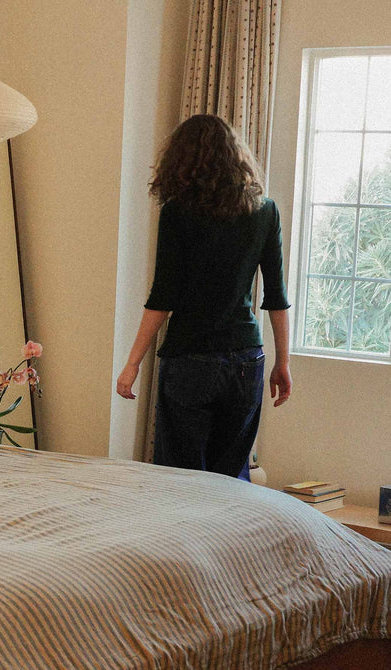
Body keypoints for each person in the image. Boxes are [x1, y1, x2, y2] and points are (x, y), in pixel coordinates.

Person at [116, 114, 292, 481]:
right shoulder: (265, 211)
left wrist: (133, 363)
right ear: (236, 157)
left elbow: (162, 297)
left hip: (191, 359)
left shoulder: (178, 213)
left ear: (181, 160)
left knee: (181, 482)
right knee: (231, 479)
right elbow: (276, 297)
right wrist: (283, 363)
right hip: (247, 360)